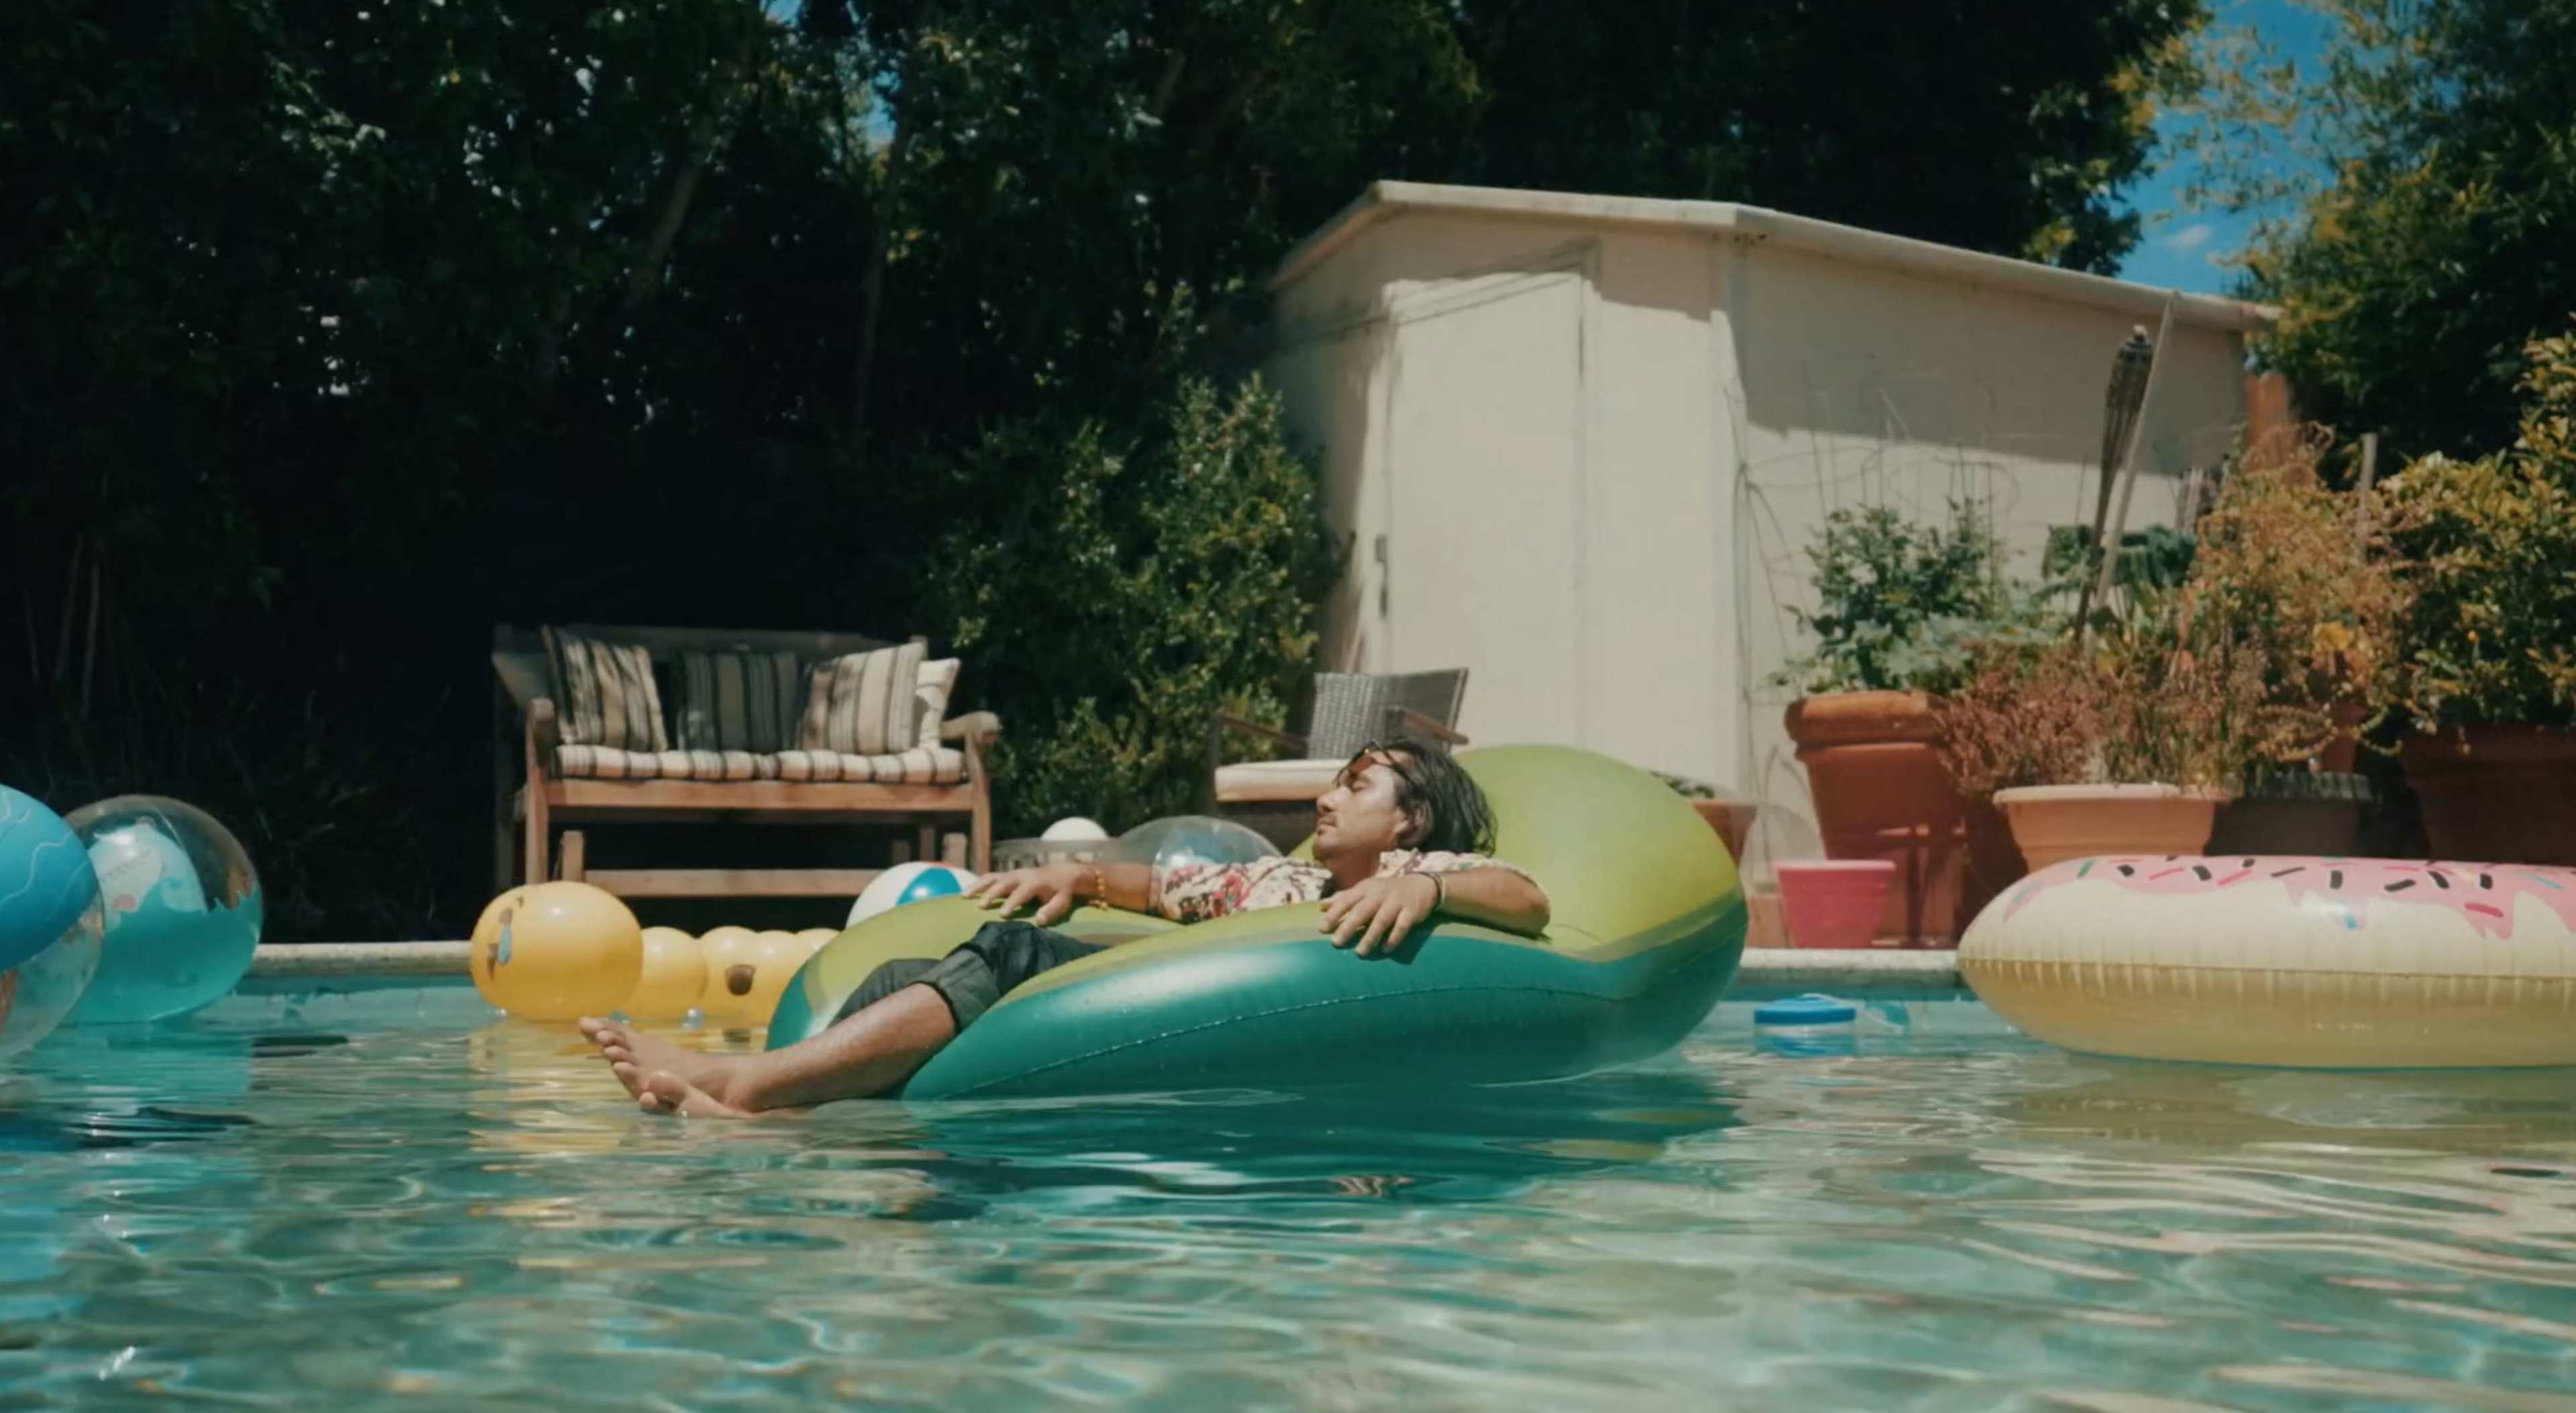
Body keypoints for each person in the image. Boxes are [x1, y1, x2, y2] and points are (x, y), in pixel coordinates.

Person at [580, 739, 1550, 1116]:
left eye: (1357, 785)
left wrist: (1430, 893)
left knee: (1008, 952)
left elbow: (1525, 898)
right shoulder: (1275, 874)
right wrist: (1083, 872)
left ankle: (747, 1087)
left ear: (1412, 820)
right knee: (903, 975)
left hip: (1238, 1014)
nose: (1329, 797)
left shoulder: (1423, 873)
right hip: (1163, 987)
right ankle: (786, 1122)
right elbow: (1162, 887)